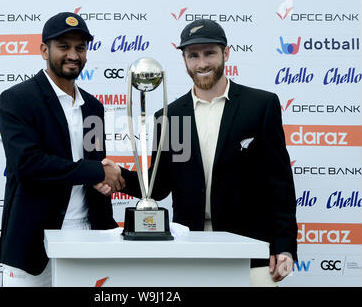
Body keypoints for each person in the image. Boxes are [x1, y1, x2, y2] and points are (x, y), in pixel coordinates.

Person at [97, 19, 298, 286]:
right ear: (184, 59)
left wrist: (284, 246)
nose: (202, 64)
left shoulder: (260, 106)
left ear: (225, 53)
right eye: (193, 55)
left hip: (250, 249)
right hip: (189, 247)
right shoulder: (170, 116)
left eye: (209, 53)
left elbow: (279, 184)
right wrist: (117, 176)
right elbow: (158, 186)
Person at [0, 12, 123, 287]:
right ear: (44, 49)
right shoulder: (17, 99)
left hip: (88, 235)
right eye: (64, 46)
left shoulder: (93, 106)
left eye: (80, 47)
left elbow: (94, 162)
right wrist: (94, 171)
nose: (73, 55)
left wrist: (103, 178)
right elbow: (28, 165)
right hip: (33, 239)